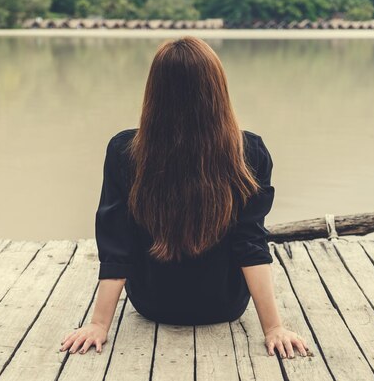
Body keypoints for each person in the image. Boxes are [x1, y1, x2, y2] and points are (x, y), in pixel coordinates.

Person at [60, 36, 308, 360]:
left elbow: (116, 244)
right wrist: (274, 328)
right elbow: (251, 243)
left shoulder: (124, 151)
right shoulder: (249, 151)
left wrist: (98, 324)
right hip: (224, 304)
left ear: (154, 92)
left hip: (152, 302)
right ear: (217, 89)